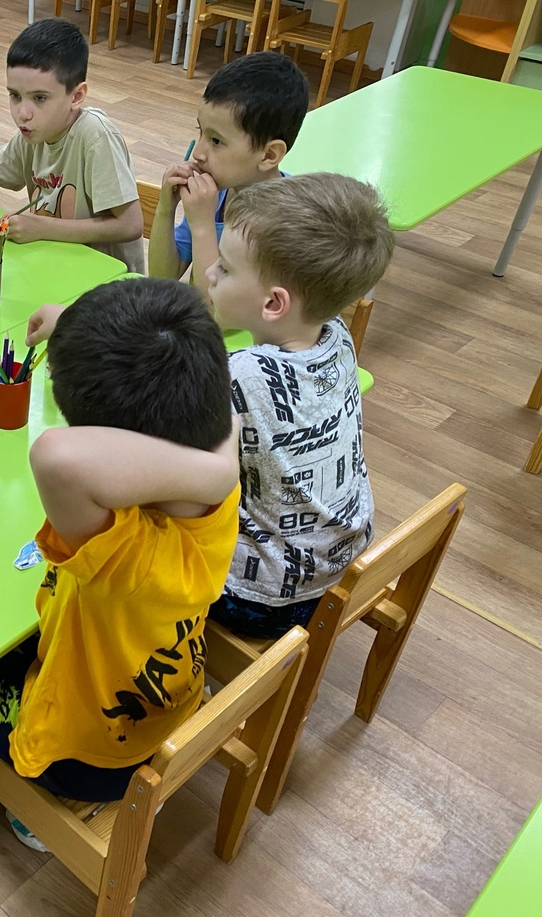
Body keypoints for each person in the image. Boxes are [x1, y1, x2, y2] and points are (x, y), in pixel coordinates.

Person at [0, 278, 240, 849]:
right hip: (171, 697)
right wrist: (74, 331)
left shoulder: (137, 555)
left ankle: (49, 805)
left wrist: (219, 472)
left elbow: (58, 457)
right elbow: (210, 396)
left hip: (90, 758)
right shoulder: (212, 495)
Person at [204, 172, 395, 637]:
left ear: (274, 304)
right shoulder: (336, 334)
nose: (209, 273)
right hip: (346, 563)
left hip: (261, 600)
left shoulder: (241, 373)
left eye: (224, 268)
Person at [0, 18, 144, 274]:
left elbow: (130, 225)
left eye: (39, 98)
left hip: (109, 283)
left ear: (76, 96)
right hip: (55, 267)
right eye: (15, 96)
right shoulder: (31, 134)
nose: (23, 113)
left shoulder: (96, 137)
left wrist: (42, 228)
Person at [148, 51, 309, 292]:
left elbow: (217, 305)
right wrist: (165, 209)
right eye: (201, 132)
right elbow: (162, 277)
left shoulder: (284, 225)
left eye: (216, 141)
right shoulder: (217, 193)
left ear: (269, 155)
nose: (198, 153)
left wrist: (203, 226)